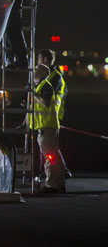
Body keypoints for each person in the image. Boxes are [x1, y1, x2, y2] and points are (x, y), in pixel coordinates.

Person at [28, 64, 65, 193]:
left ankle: (53, 185)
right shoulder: (40, 86)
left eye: (37, 68)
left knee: (50, 158)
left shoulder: (45, 86)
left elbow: (45, 102)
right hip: (45, 126)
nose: (34, 70)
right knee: (51, 157)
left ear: (43, 73)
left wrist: (33, 94)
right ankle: (56, 184)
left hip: (47, 126)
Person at [37, 49, 70, 177]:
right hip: (46, 117)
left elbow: (46, 99)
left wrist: (34, 94)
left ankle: (55, 179)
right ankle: (61, 172)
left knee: (49, 151)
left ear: (45, 60)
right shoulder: (51, 75)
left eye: (39, 59)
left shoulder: (54, 76)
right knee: (51, 150)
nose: (37, 62)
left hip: (50, 116)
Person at [5, 0, 29, 69]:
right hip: (13, 1)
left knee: (13, 33)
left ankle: (20, 60)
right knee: (12, 33)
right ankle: (18, 60)